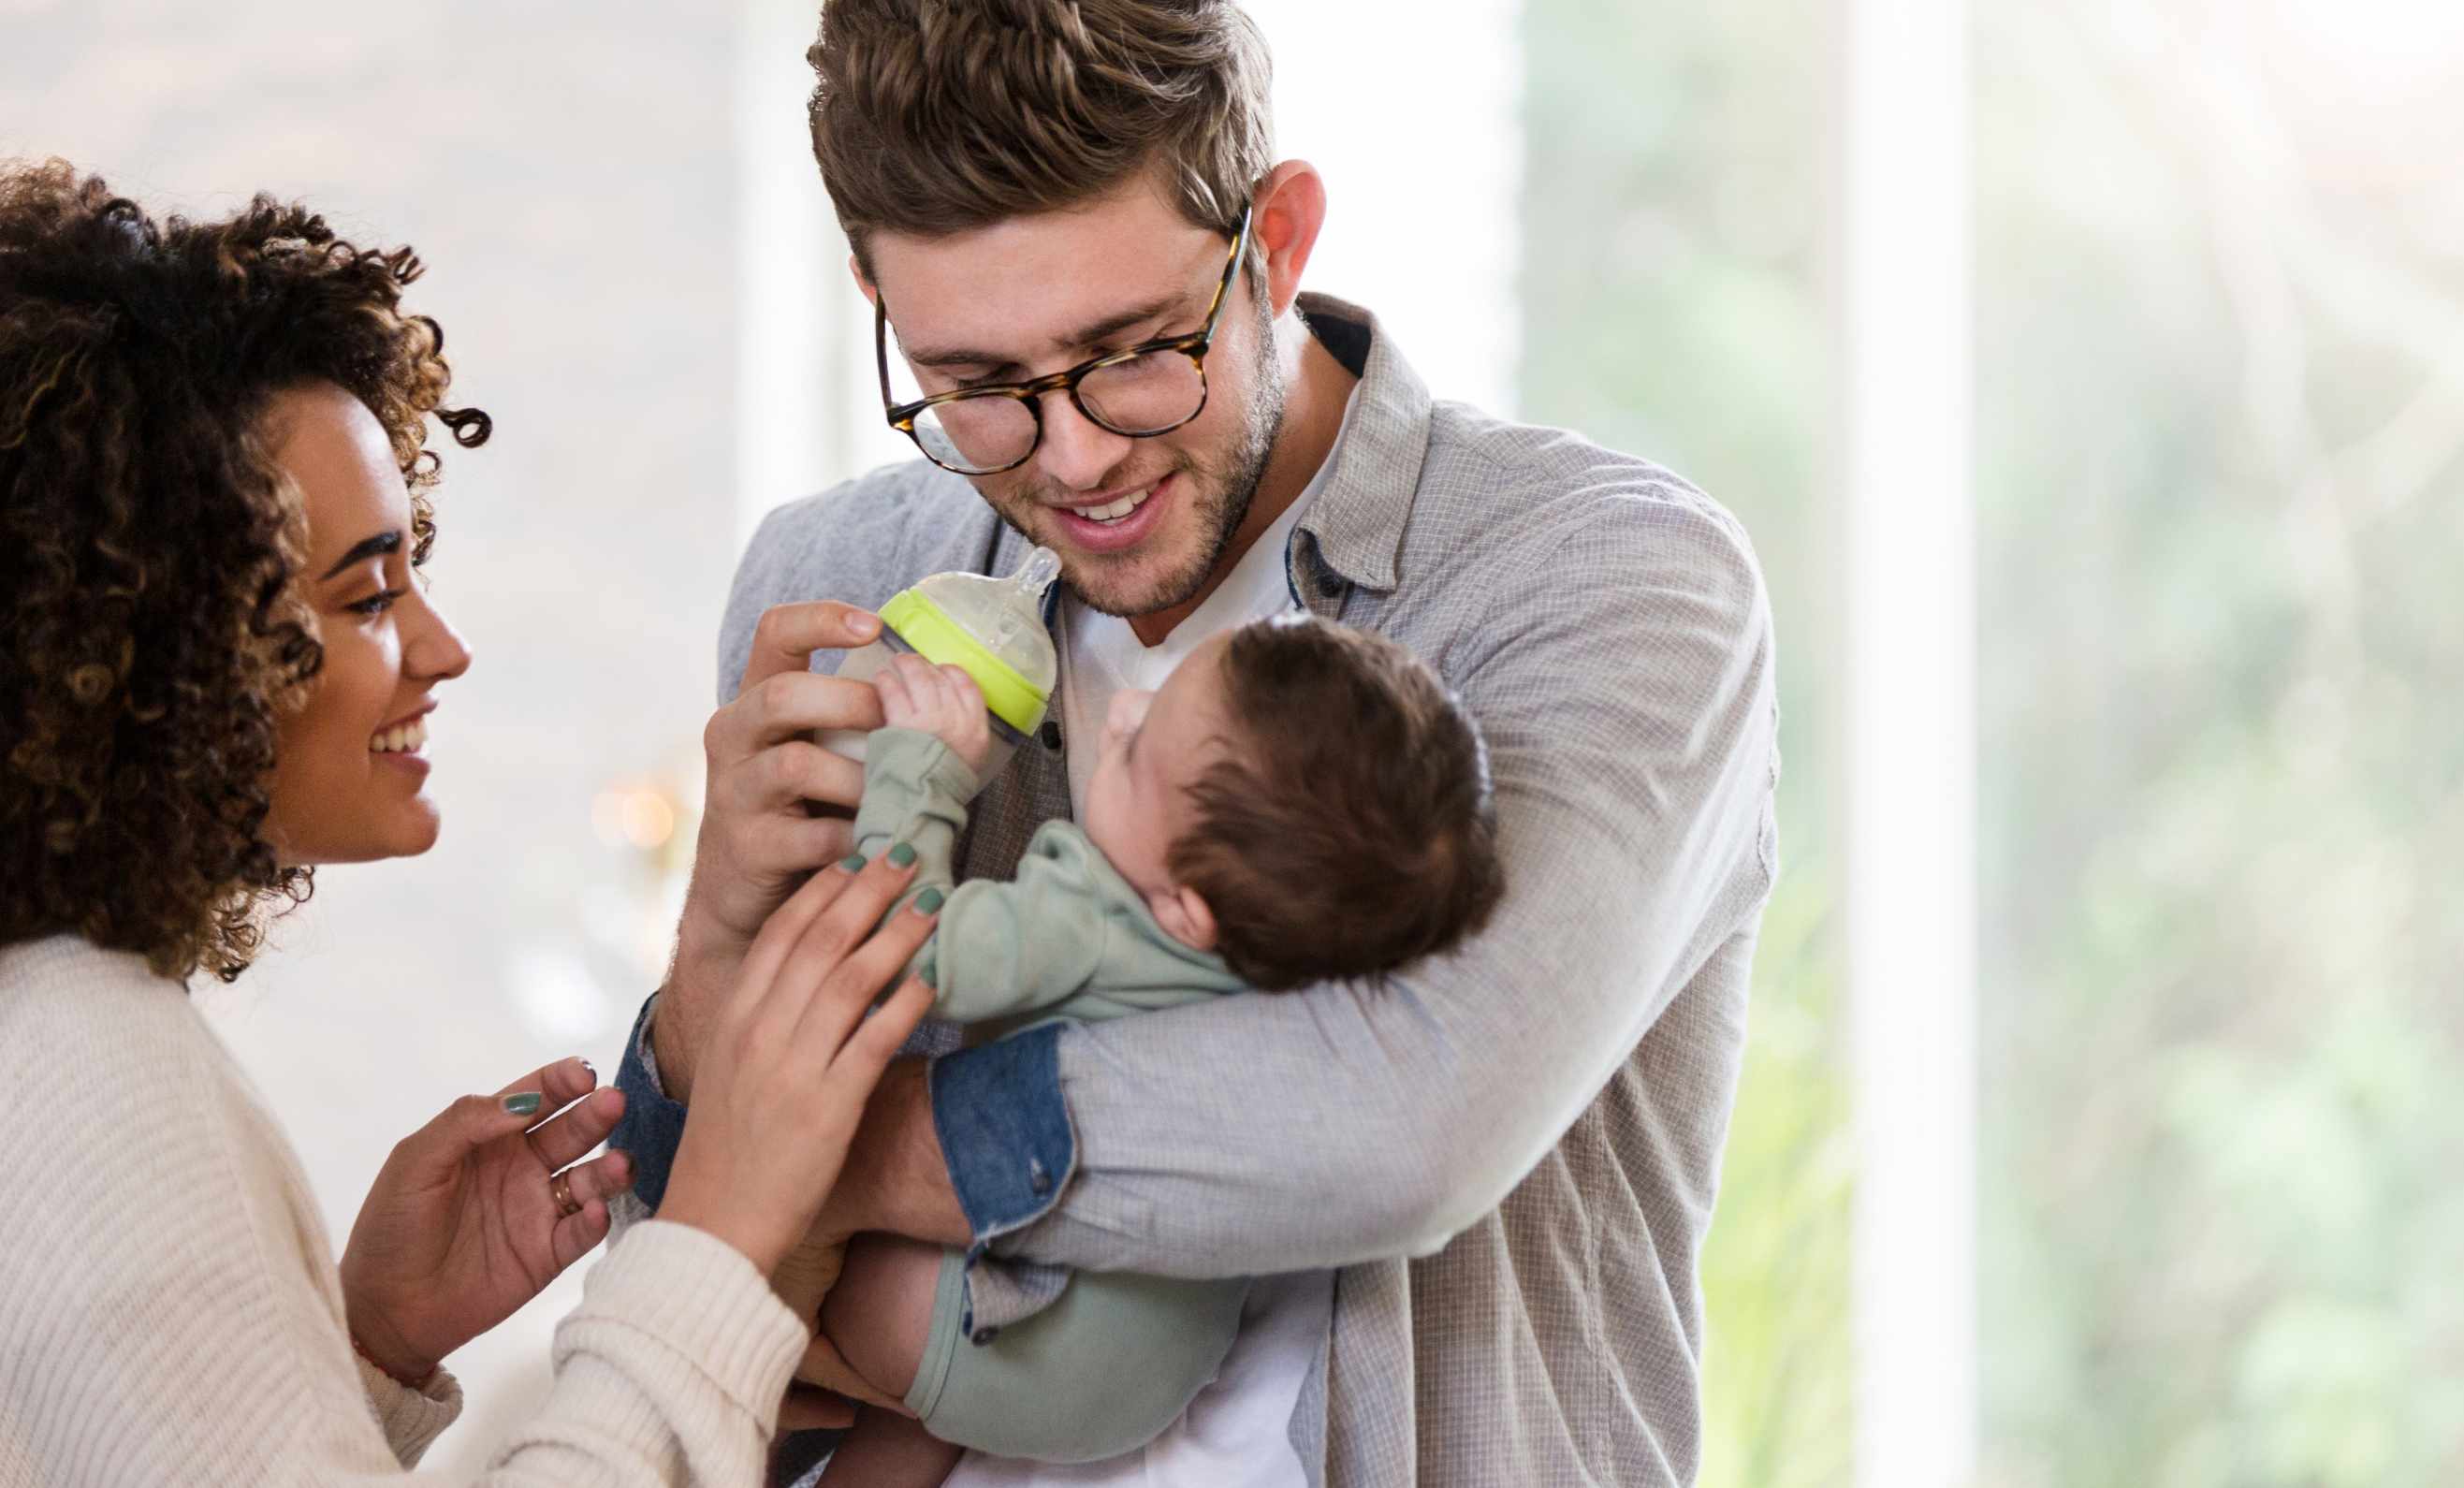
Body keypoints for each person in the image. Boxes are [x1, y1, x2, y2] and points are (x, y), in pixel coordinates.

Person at [610, 2, 1781, 1483]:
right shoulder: (841, 579)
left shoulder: (1600, 581)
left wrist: (804, 1148)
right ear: (878, 305)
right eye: (978, 386)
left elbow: (1406, 1120)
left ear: (1276, 242)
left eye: (1132, 351)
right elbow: (718, 1351)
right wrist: (714, 953)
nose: (1079, 455)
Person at [0, 159, 935, 1486]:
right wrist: (720, 1227)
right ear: (161, 639)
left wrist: (361, 1340)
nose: (443, 648)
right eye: (368, 595)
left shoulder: (60, 1028)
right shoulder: (86, 1067)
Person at [814, 616, 1504, 1483]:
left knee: (767, 1263)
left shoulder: (1095, 915)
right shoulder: (1297, 961)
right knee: (915, 1414)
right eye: (1158, 694)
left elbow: (907, 953)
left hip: (1029, 1345)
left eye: (1138, 755)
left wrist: (921, 768)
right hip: (1147, 1370)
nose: (1122, 711)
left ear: (1184, 910)